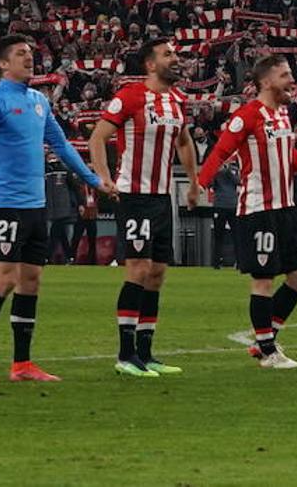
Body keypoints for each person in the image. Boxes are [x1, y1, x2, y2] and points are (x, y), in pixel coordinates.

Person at [0, 34, 114, 385]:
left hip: (35, 205)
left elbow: (60, 145)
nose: (29, 58)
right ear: (2, 63)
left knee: (31, 281)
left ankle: (22, 364)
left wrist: (92, 179)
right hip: (4, 204)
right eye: (20, 54)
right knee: (4, 279)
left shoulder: (38, 101)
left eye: (31, 53)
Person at [191, 55, 297, 370]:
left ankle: (265, 339)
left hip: (286, 208)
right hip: (258, 209)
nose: (291, 80)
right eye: (285, 75)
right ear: (267, 81)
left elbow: (290, 157)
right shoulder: (246, 116)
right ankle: (269, 352)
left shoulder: (283, 114)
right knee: (263, 281)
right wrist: (199, 184)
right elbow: (220, 151)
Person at [90, 36, 201, 377]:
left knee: (157, 273)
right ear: (150, 64)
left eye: (176, 54)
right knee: (138, 269)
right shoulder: (130, 96)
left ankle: (146, 353)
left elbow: (184, 142)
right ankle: (125, 355)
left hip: (161, 196)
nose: (175, 59)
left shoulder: (176, 102)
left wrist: (194, 183)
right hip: (134, 195)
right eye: (168, 54)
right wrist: (104, 177)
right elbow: (98, 137)